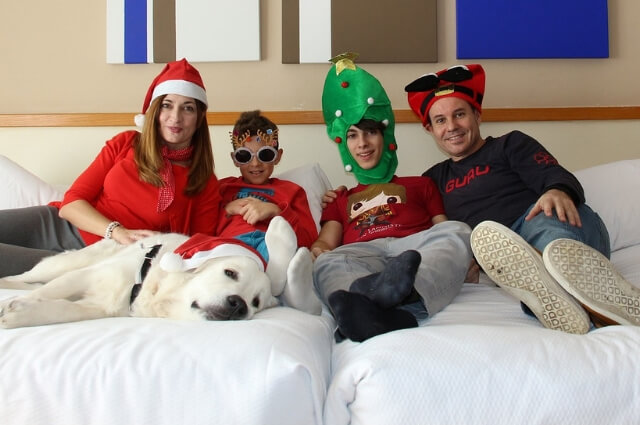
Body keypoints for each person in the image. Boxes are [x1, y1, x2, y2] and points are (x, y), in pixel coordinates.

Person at [404, 63, 640, 332]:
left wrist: (556, 190)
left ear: (477, 115)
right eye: (441, 120)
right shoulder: (432, 179)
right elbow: (419, 226)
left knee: (547, 227)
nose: (452, 126)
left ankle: (561, 280)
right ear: (430, 130)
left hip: (549, 226)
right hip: (499, 252)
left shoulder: (510, 144)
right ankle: (579, 302)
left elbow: (555, 174)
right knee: (495, 245)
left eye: (460, 114)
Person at [0, 58, 220, 278]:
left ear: (199, 118)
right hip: (58, 225)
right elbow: (72, 203)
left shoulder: (203, 180)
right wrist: (116, 231)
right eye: (167, 105)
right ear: (154, 111)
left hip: (100, 260)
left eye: (188, 108)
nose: (175, 117)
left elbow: (197, 250)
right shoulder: (125, 142)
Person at [312, 53, 472, 342]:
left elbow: (442, 228)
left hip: (414, 253)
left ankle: (403, 293)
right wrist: (317, 251)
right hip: (362, 255)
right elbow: (326, 243)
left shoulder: (421, 184)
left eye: (370, 132)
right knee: (327, 264)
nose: (362, 144)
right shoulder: (340, 198)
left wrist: (460, 256)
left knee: (458, 232)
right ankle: (373, 307)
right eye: (352, 135)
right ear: (344, 145)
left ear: (385, 137)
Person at [214, 110, 322, 314]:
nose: (255, 164)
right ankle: (279, 283)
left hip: (270, 244)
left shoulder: (291, 191)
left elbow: (307, 237)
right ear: (235, 159)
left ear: (278, 156)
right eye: (245, 156)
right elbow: (202, 226)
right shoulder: (223, 189)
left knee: (279, 251)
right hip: (230, 245)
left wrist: (275, 212)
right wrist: (227, 210)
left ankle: (287, 285)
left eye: (265, 154)